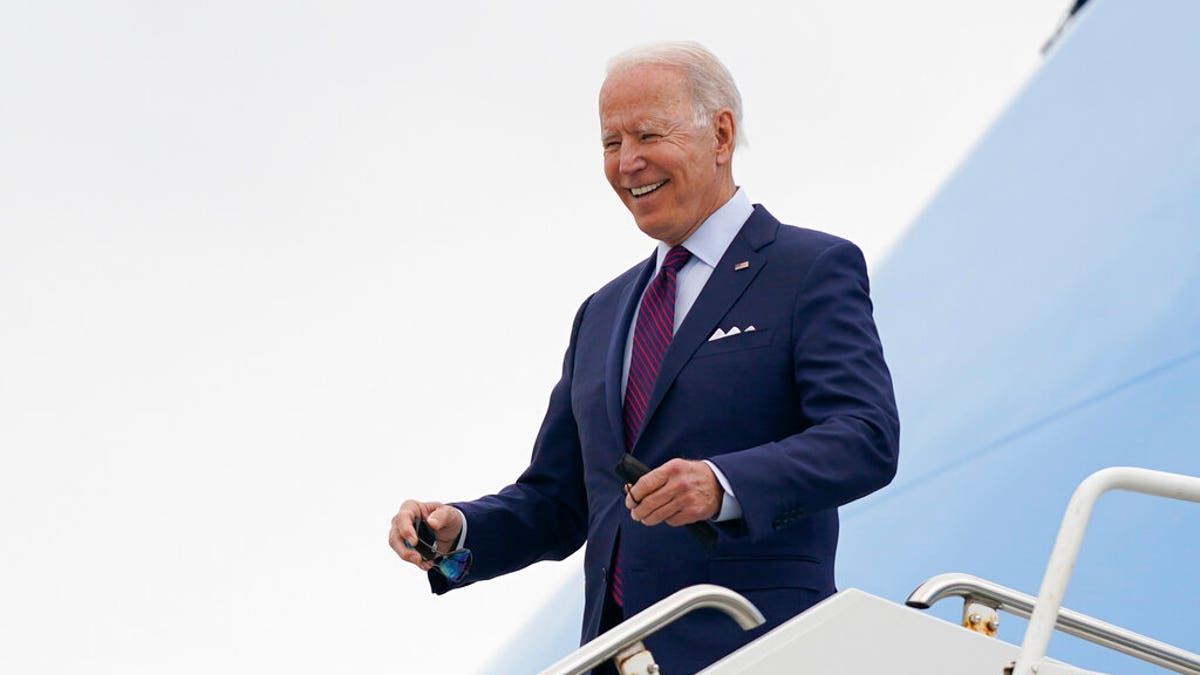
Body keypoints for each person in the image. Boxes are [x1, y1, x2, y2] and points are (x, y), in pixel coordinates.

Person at [389, 41, 899, 673]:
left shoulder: (809, 269)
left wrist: (721, 485)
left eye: (647, 134)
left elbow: (865, 438)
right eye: (610, 143)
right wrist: (457, 530)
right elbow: (559, 500)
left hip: (756, 647)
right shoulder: (601, 313)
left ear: (720, 133)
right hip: (615, 657)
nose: (628, 162)